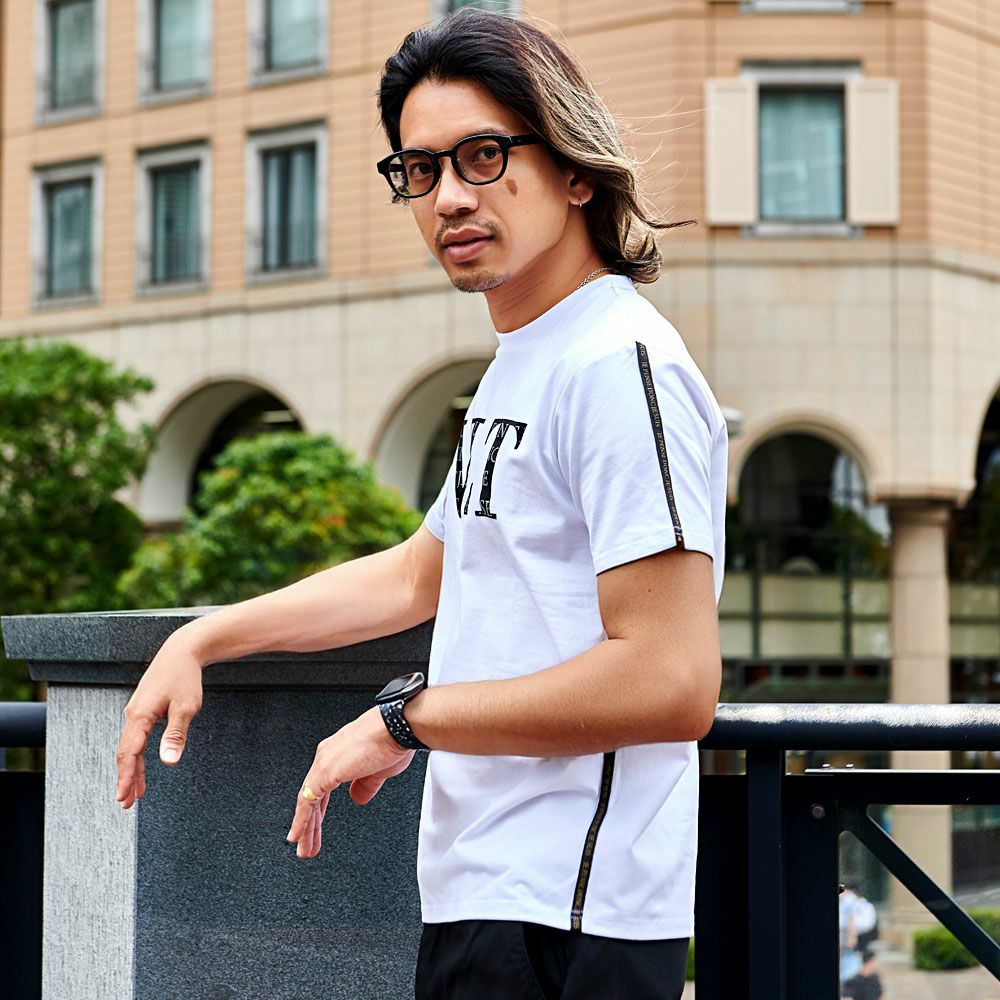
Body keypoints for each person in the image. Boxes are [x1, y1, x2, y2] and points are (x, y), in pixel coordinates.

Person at [114, 9, 728, 999]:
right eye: (419, 168)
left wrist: (405, 721)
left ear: (575, 170)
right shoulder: (525, 360)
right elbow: (416, 573)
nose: (448, 197)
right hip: (488, 895)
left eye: (483, 156)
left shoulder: (618, 364)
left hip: (571, 915)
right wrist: (204, 637)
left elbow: (670, 678)